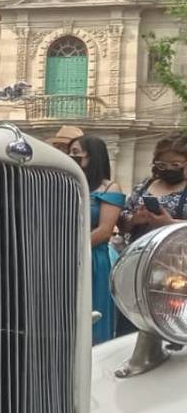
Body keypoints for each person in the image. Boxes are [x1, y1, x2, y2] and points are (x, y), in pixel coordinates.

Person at [116, 132, 187, 335]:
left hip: (177, 267)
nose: (169, 169)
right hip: (138, 263)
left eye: (176, 164)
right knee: (133, 315)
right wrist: (134, 220)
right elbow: (123, 222)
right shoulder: (144, 186)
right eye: (163, 164)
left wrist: (169, 223)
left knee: (171, 319)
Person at [67, 135, 124, 345]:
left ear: (94, 156)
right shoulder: (67, 183)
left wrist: (70, 249)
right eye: (70, 152)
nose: (71, 157)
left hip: (91, 259)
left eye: (76, 152)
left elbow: (104, 231)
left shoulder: (110, 188)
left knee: (92, 316)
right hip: (61, 257)